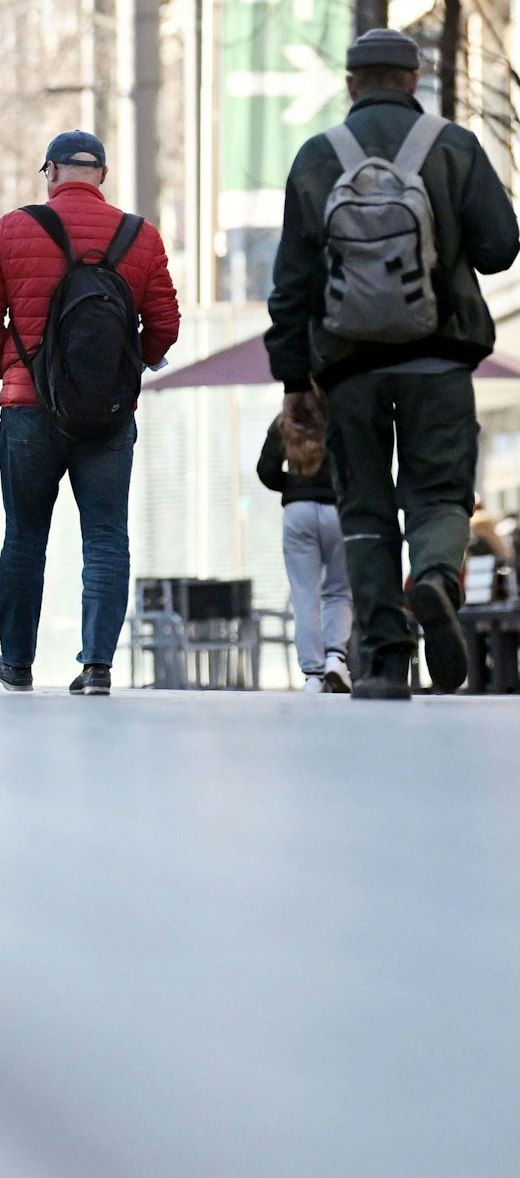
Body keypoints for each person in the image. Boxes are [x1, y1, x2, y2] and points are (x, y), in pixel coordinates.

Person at [266, 28, 519, 700]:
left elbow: (290, 284)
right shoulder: (455, 147)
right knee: (438, 493)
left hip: (349, 369)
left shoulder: (318, 158)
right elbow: (501, 248)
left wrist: (296, 380)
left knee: (365, 510)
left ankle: (383, 659)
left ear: (352, 84)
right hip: (440, 358)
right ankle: (435, 575)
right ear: (413, 80)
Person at [0, 128, 180, 696]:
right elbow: (165, 324)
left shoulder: (14, 229)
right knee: (106, 536)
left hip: (29, 407)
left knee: (25, 536)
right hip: (108, 415)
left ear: (52, 173)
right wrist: (131, 367)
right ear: (102, 177)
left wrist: (3, 364)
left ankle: (15, 661)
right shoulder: (141, 237)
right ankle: (97, 666)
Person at [255, 417, 353, 693]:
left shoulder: (285, 420)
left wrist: (293, 484)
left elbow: (265, 470)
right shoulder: (344, 414)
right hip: (338, 509)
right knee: (339, 590)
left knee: (304, 593)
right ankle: (336, 658)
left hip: (298, 511)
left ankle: (313, 674)